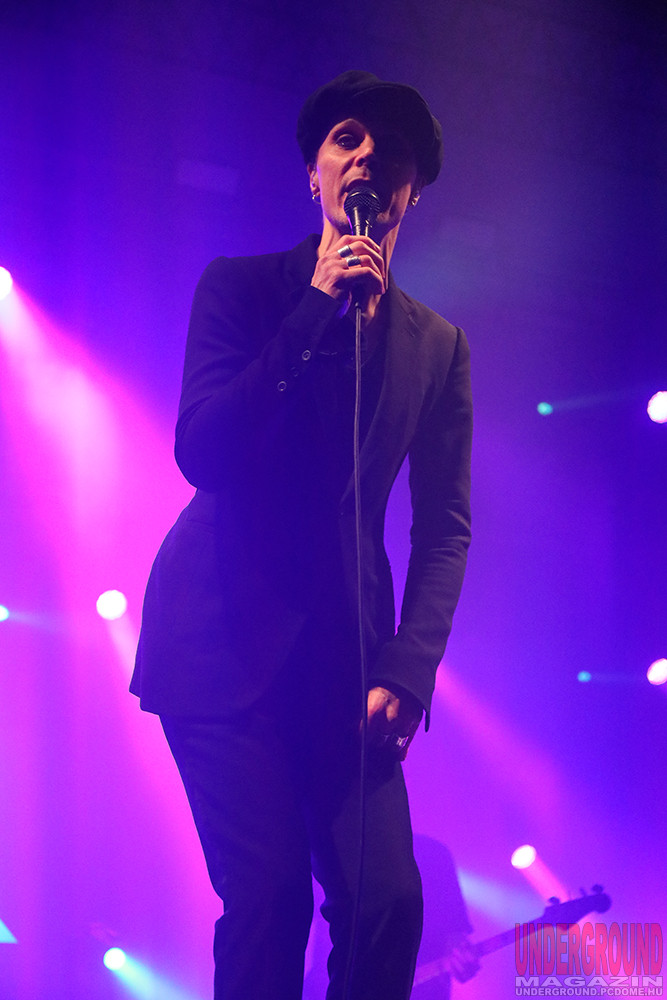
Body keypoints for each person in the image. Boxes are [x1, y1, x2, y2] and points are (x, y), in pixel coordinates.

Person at [130, 70, 472, 1000]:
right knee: (270, 900)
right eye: (346, 138)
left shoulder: (437, 346)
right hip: (217, 642)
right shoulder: (242, 289)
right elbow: (203, 451)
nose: (367, 156)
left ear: (411, 191)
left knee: (388, 904)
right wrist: (315, 308)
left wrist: (409, 668)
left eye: (390, 149)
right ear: (313, 173)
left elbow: (444, 525)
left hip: (346, 662)